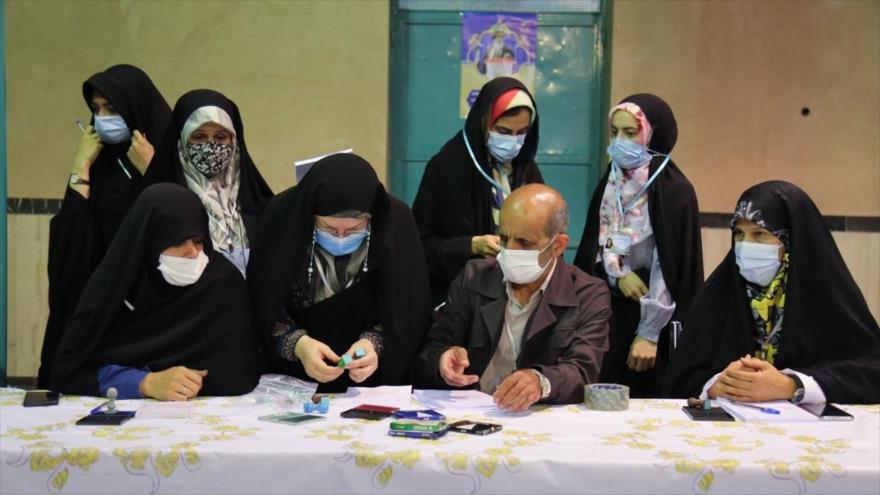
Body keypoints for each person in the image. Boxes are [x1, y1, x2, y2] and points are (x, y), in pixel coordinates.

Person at [663, 181, 880, 404]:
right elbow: (680, 377)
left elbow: (870, 372)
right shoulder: (721, 293)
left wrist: (792, 385)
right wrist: (717, 385)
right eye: (738, 234)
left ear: (791, 240)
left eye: (759, 234)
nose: (745, 245)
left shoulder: (826, 295)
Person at [50, 184, 261, 400]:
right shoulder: (116, 289)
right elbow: (67, 373)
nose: (192, 253)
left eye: (198, 241)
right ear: (149, 241)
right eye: (178, 242)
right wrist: (143, 382)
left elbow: (241, 372)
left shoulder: (222, 283)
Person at [416, 184, 611, 411]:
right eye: (504, 238)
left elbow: (582, 369)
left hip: (539, 416)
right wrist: (443, 359)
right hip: (474, 411)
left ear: (557, 245)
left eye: (524, 242)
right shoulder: (474, 276)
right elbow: (433, 347)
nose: (509, 250)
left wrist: (540, 381)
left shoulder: (588, 294)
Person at [248, 153, 432, 391]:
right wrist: (298, 345)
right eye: (328, 227)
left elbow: (408, 308)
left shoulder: (395, 221)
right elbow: (262, 302)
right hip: (291, 383)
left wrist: (373, 344)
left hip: (370, 384)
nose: (341, 237)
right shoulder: (282, 218)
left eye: (355, 228)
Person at [40, 64, 171, 388]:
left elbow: (175, 225)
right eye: (96, 110)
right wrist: (80, 166)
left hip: (153, 320)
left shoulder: (166, 156)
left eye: (112, 108)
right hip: (98, 315)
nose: (102, 118)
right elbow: (67, 252)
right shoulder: (98, 166)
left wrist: (153, 170)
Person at [574, 94, 702, 398]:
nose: (620, 141)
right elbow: (599, 238)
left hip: (652, 314)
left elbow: (670, 264)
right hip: (608, 307)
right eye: (615, 132)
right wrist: (617, 273)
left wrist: (650, 332)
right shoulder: (611, 182)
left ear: (653, 134)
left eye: (630, 133)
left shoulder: (674, 191)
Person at [412, 77, 543, 306]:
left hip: (518, 297)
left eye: (521, 132)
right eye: (503, 131)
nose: (512, 141)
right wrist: (471, 245)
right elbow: (420, 247)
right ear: (483, 123)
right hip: (462, 300)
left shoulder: (527, 169)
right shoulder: (447, 168)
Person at [142, 89, 273, 276]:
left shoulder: (259, 202)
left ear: (234, 142)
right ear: (181, 142)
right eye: (199, 137)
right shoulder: (162, 208)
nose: (211, 147)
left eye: (221, 137)